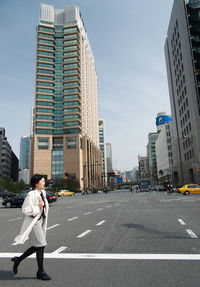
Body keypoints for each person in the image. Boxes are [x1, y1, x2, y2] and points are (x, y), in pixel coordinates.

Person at [11, 174, 51, 280]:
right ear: (37, 183)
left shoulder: (42, 192)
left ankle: (18, 260)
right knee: (41, 245)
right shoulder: (31, 194)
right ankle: (40, 272)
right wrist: (38, 206)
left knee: (38, 246)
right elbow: (25, 209)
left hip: (40, 221)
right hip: (34, 223)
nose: (44, 182)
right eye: (42, 181)